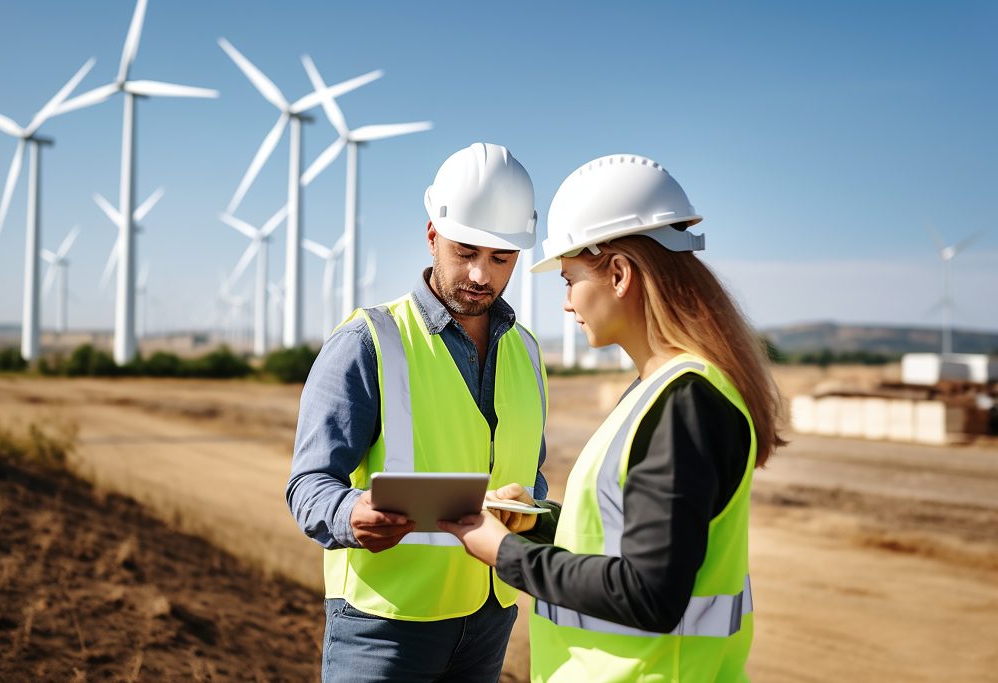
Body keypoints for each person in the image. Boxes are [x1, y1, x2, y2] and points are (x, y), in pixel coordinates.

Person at [439, 154, 786, 682]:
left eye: (569, 280)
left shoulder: (684, 402)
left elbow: (649, 594)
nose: (567, 304)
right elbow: (625, 535)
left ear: (619, 273)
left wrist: (505, 553)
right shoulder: (661, 391)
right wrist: (538, 522)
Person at [286, 142, 549, 682]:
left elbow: (530, 472)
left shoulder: (527, 350)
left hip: (489, 614)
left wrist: (532, 507)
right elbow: (309, 482)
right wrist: (349, 514)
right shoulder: (369, 340)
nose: (481, 275)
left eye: (501, 259)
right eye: (465, 252)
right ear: (432, 236)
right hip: (384, 625)